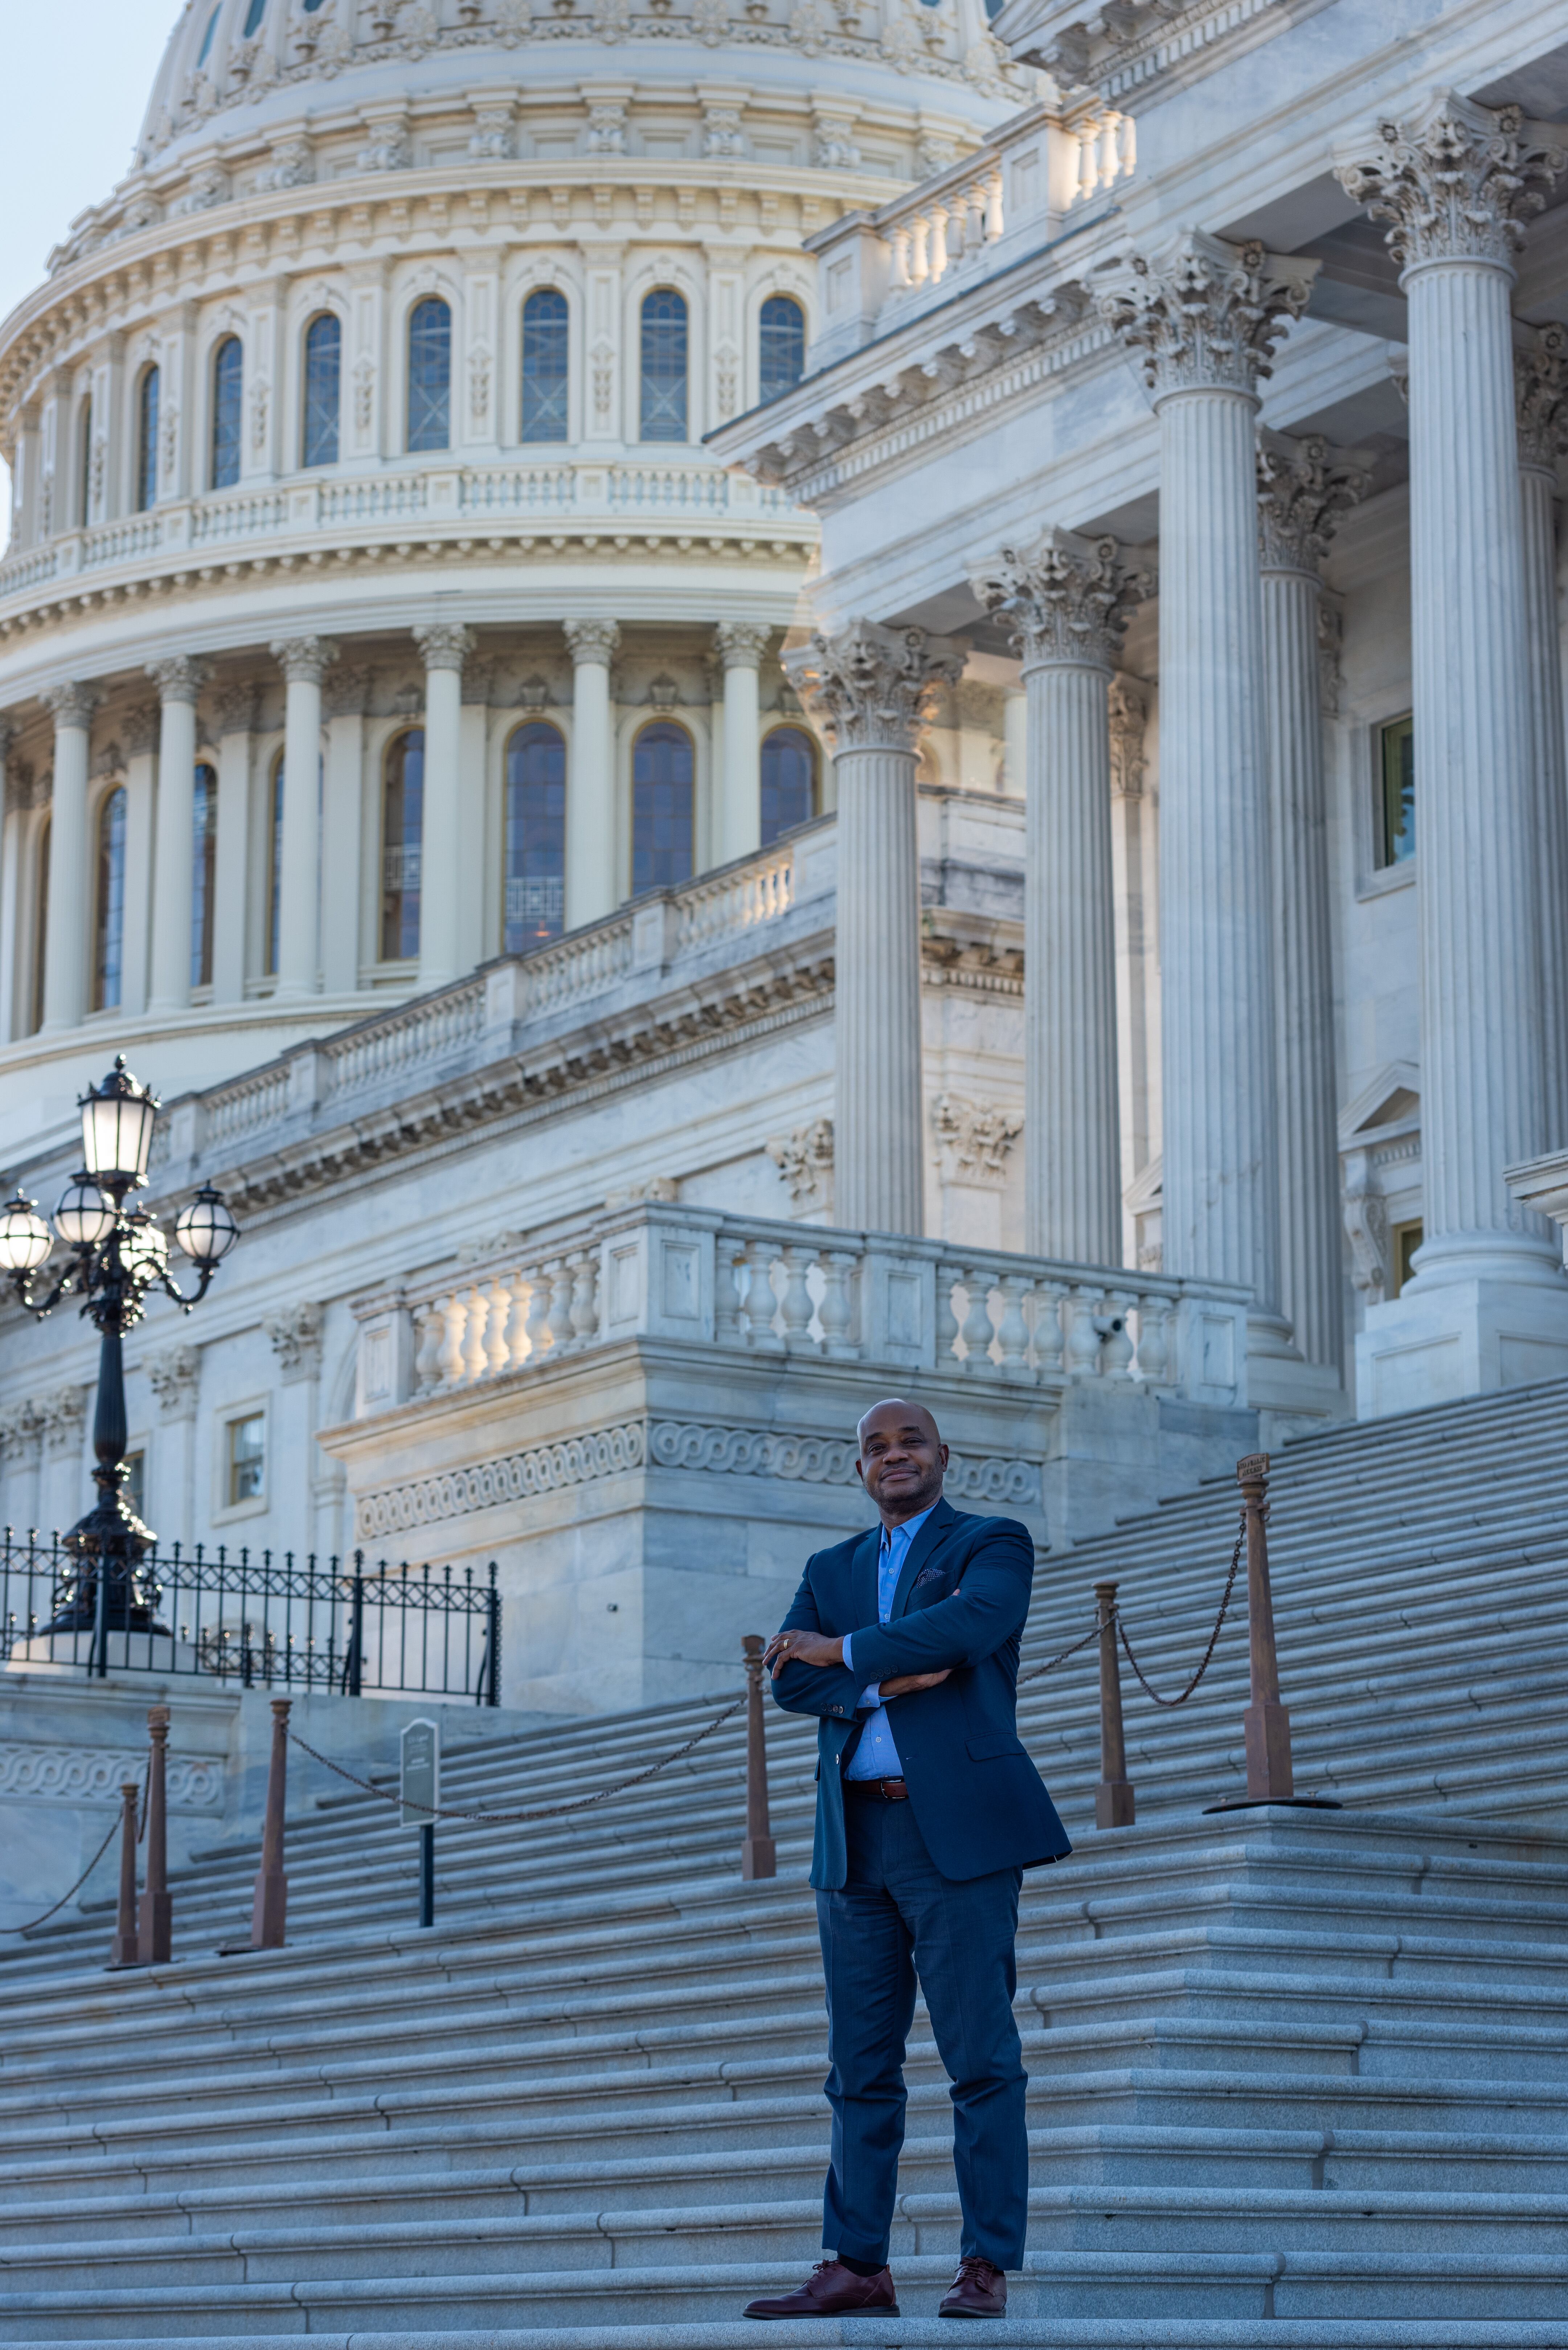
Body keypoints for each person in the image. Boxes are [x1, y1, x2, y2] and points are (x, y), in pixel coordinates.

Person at [742, 1398, 1070, 2324]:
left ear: (941, 1456)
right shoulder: (829, 1567)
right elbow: (790, 1681)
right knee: (857, 2068)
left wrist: (845, 1652)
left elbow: (972, 1629)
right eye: (876, 1448)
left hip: (956, 1836)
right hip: (855, 1841)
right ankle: (855, 2265)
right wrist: (893, 1674)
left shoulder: (991, 1543)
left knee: (981, 2060)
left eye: (909, 1442)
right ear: (859, 1471)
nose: (894, 1457)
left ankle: (985, 2267)